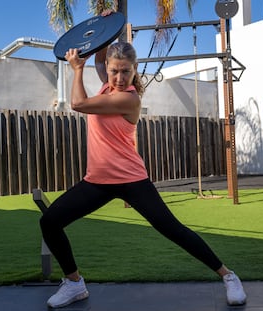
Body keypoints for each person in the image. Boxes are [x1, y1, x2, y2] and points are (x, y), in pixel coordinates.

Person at [40, 12, 247, 309]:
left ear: (134, 70)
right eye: (114, 71)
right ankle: (74, 283)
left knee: (172, 230)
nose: (119, 78)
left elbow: (78, 104)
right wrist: (102, 28)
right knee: (50, 222)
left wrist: (75, 70)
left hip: (131, 179)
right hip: (97, 181)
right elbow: (99, 59)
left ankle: (228, 276)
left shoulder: (129, 98)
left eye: (125, 71)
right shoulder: (107, 85)